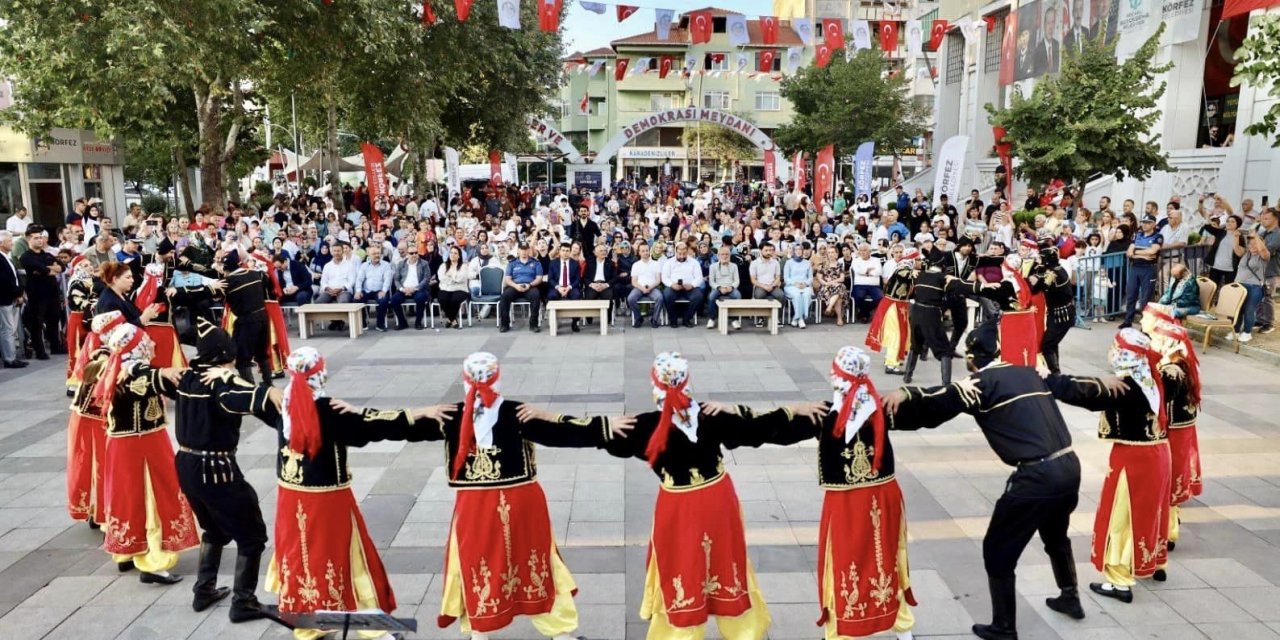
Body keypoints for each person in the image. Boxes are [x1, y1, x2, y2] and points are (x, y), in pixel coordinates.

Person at [882, 317, 1086, 640]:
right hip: (1069, 466)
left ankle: (1004, 627)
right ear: (1000, 351)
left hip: (1036, 477)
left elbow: (939, 404)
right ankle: (1070, 595)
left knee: (997, 551)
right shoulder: (1028, 372)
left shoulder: (981, 383)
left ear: (973, 360)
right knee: (1056, 535)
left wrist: (904, 399)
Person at [603, 352, 825, 639]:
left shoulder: (643, 425)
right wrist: (794, 410)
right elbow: (762, 429)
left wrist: (599, 426)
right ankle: (743, 630)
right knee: (727, 561)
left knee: (680, 565)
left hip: (677, 506)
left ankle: (679, 632)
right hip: (718, 499)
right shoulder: (712, 415)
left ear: (654, 385)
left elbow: (597, 438)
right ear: (687, 381)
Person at [427, 352, 630, 640]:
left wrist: (603, 427)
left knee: (534, 561)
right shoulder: (460, 415)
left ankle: (552, 630)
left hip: (516, 503)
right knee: (479, 563)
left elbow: (561, 432)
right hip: (483, 505)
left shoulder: (510, 413)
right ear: (499, 379)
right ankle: (483, 630)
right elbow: (561, 432)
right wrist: (416, 415)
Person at [263, 348, 449, 640]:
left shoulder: (279, 402)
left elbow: (248, 398)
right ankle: (373, 632)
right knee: (347, 562)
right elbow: (374, 426)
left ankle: (308, 626)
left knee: (300, 558)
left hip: (291, 498)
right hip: (327, 500)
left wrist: (224, 375)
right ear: (320, 373)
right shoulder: (329, 410)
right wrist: (418, 413)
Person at [162, 319, 281, 622]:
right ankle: (244, 602)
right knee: (252, 535)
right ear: (225, 355)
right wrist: (268, 392)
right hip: (215, 468)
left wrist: (159, 371)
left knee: (214, 529)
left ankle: (204, 590)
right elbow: (253, 401)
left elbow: (143, 375)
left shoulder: (187, 376)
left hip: (186, 465)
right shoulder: (222, 384)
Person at [1043, 329, 1172, 603]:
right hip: (1159, 453)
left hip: (1133, 459)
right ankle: (1153, 564)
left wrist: (1047, 380)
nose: (1111, 353)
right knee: (1152, 511)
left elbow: (1085, 395)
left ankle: (1119, 582)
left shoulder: (1125, 386)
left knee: (1121, 518)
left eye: (1115, 348)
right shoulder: (1153, 377)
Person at [814, 347, 917, 640]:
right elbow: (928, 411)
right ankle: (902, 627)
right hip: (882, 495)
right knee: (884, 557)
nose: (833, 375)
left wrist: (911, 394)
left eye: (835, 371)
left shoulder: (830, 414)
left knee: (845, 560)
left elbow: (774, 428)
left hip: (847, 501)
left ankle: (842, 630)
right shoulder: (880, 407)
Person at [94, 323, 198, 584]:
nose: (151, 344)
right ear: (135, 346)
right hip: (143, 444)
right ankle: (153, 561)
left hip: (123, 445)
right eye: (145, 341)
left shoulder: (116, 366)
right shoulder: (132, 369)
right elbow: (145, 376)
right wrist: (165, 372)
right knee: (152, 496)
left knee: (126, 496)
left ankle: (128, 551)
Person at [65, 311, 127, 529]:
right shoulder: (103, 354)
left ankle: (96, 511)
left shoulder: (101, 349)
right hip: (94, 418)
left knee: (95, 466)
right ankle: (103, 514)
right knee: (101, 466)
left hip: (89, 416)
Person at [1148, 321, 1202, 554]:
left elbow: (1160, 400)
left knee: (1169, 478)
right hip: (1182, 427)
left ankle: (1168, 532)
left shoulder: (1172, 370)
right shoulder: (1182, 362)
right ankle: (1170, 524)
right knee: (1174, 476)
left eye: (1158, 339)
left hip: (1174, 430)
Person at [902, 258, 970, 384]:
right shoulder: (944, 278)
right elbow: (962, 288)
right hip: (931, 313)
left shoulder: (918, 274)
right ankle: (946, 384)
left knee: (915, 344)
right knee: (944, 350)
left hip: (916, 311)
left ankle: (907, 376)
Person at [219, 252, 273, 383]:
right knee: (262, 354)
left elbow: (211, 294)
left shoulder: (228, 282)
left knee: (242, 359)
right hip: (263, 317)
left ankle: (250, 389)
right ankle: (268, 383)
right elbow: (268, 285)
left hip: (246, 321)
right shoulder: (256, 274)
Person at [866, 249, 919, 375]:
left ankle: (893, 358)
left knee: (901, 333)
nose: (920, 262)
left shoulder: (904, 268)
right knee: (896, 334)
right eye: (918, 260)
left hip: (899, 305)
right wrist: (915, 273)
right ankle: (891, 364)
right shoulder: (903, 270)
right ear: (912, 260)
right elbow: (905, 274)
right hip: (893, 306)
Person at [19, 225, 65, 360]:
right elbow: (41, 268)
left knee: (54, 319)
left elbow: (61, 266)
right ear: (29, 240)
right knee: (37, 323)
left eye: (41, 237)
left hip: (52, 292)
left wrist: (50, 269)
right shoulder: (26, 256)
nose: (40, 240)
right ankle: (40, 351)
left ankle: (55, 346)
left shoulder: (47, 254)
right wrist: (49, 269)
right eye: (36, 238)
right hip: (37, 294)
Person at [1031, 246, 1075, 374]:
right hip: (1057, 313)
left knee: (1047, 345)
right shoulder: (1056, 268)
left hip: (1061, 315)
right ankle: (1055, 371)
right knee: (1052, 343)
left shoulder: (1052, 274)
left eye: (1040, 258)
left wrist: (1036, 278)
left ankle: (1055, 374)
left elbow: (1036, 288)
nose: (1038, 260)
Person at [1120, 214, 1163, 328]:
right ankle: (1128, 321)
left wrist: (1136, 252)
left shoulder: (1157, 236)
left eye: (1148, 222)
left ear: (1154, 224)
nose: (1145, 224)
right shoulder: (1137, 235)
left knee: (1146, 298)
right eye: (1143, 222)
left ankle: (1146, 325)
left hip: (1148, 268)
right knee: (1131, 295)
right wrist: (1140, 254)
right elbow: (1128, 252)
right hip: (1135, 267)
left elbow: (1152, 251)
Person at [65, 255, 97, 391]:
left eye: (89, 264)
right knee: (77, 349)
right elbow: (80, 303)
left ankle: (90, 379)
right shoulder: (76, 283)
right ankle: (74, 382)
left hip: (91, 318)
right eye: (85, 266)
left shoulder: (93, 281)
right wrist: (97, 303)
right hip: (78, 319)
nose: (89, 267)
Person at [1231, 229, 1269, 343]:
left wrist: (1256, 236)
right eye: (1250, 243)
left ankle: (1247, 333)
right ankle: (1236, 331)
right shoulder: (1246, 253)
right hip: (1239, 286)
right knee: (1238, 309)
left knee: (1249, 309)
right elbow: (1236, 249)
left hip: (1254, 287)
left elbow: (1262, 249)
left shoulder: (1264, 256)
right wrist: (1236, 236)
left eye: (1254, 243)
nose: (1251, 245)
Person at [499, 241, 545, 334]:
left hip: (530, 286)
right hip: (515, 286)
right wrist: (515, 286)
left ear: (528, 250)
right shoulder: (512, 263)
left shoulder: (535, 262)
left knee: (536, 295)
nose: (524, 252)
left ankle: (533, 324)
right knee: (505, 296)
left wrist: (530, 285)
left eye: (525, 249)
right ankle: (504, 324)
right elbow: (508, 279)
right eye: (521, 249)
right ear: (518, 250)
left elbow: (539, 278)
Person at [662, 242, 705, 328]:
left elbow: (699, 277)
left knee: (698, 296)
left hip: (690, 287)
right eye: (679, 254)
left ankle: (687, 319)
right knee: (667, 295)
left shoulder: (694, 262)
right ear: (675, 252)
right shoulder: (669, 262)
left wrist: (692, 285)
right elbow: (664, 278)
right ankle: (673, 320)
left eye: (684, 254)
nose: (682, 256)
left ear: (687, 252)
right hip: (674, 287)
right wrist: (672, 284)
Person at [354, 244, 394, 332]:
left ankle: (380, 323)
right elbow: (359, 279)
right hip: (367, 290)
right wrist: (358, 291)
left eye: (378, 253)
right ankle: (362, 322)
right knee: (357, 300)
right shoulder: (364, 265)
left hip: (379, 291)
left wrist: (384, 291)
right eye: (374, 254)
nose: (377, 255)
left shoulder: (386, 265)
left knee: (383, 300)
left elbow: (388, 280)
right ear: (369, 255)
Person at [390, 247, 431, 330]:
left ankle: (418, 322)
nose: (414, 255)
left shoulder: (424, 263)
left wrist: (415, 288)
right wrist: (402, 289)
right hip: (404, 289)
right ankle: (402, 322)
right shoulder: (401, 264)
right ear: (407, 255)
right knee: (394, 300)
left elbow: (426, 278)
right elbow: (396, 279)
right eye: (411, 253)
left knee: (421, 298)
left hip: (418, 289)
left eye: (416, 253)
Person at [1253, 208, 1279, 333]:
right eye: (1262, 218)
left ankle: (1269, 323)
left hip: (1270, 270)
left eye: (1266, 218)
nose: (1263, 220)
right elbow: (1253, 247)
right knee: (1258, 295)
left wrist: (1259, 246)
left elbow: (1268, 249)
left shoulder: (1278, 234)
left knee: (1267, 297)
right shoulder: (1263, 233)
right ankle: (1260, 319)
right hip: (1258, 270)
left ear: (1276, 218)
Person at [547, 243, 583, 333]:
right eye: (563, 250)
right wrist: (558, 288)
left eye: (567, 251)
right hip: (557, 287)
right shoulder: (553, 263)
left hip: (571, 287)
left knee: (577, 295)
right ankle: (554, 321)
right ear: (559, 251)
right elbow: (550, 279)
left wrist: (569, 288)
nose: (565, 253)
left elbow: (578, 279)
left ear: (570, 252)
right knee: (552, 296)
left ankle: (575, 322)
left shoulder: (575, 263)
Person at [0, 231, 24, 369]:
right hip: (4, 299)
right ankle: (10, 358)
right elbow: (4, 281)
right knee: (8, 329)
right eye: (9, 241)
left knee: (10, 328)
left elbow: (14, 277)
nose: (12, 243)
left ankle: (11, 356)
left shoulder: (6, 257)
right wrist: (17, 293)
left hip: (11, 297)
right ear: (1, 243)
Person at [627, 242, 663, 328]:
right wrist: (642, 288)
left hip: (653, 287)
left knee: (660, 298)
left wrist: (650, 287)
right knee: (631, 298)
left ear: (649, 251)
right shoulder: (636, 265)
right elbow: (634, 281)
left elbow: (658, 280)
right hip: (639, 287)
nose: (645, 252)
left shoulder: (656, 264)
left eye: (647, 250)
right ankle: (639, 318)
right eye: (643, 251)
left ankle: (654, 319)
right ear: (639, 252)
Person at [749, 243, 787, 326]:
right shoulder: (754, 263)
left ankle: (776, 318)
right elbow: (753, 280)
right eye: (766, 250)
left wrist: (772, 285)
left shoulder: (775, 262)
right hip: (760, 285)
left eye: (770, 250)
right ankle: (760, 318)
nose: (768, 252)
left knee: (781, 295)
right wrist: (764, 286)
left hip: (773, 285)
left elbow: (777, 277)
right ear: (760, 251)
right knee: (759, 295)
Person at [706, 244, 741, 330]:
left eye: (727, 254)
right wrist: (719, 288)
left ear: (729, 255)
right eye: (722, 254)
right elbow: (711, 282)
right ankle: (712, 319)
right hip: (718, 287)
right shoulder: (713, 266)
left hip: (730, 287)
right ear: (718, 256)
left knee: (738, 296)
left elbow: (737, 281)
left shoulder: (734, 266)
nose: (725, 256)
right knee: (711, 297)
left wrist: (731, 287)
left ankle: (734, 320)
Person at [436, 245, 470, 329]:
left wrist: (450, 276)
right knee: (443, 299)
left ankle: (449, 319)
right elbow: (441, 278)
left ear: (459, 256)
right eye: (451, 253)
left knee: (455, 299)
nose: (453, 255)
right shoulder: (443, 265)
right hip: (445, 288)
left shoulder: (463, 266)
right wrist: (454, 278)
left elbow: (461, 278)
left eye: (455, 253)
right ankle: (453, 319)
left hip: (460, 288)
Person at [582, 242, 616, 322]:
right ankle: (589, 317)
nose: (603, 252)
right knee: (589, 296)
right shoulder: (590, 263)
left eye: (605, 250)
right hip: (593, 284)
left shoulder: (610, 263)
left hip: (605, 285)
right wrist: (591, 284)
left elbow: (614, 278)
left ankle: (607, 318)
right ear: (595, 253)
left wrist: (606, 285)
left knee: (608, 297)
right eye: (601, 251)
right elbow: (585, 278)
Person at [849, 243, 883, 324]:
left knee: (880, 298)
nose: (862, 252)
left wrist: (864, 272)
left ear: (869, 251)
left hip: (874, 286)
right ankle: (865, 314)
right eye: (860, 250)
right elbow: (857, 271)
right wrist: (869, 271)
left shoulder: (876, 260)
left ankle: (864, 312)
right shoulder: (856, 261)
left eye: (864, 250)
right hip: (860, 285)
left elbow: (879, 272)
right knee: (858, 297)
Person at [816, 245, 848, 326]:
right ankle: (839, 318)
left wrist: (832, 282)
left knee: (839, 287)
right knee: (839, 295)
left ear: (836, 254)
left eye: (832, 252)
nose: (830, 254)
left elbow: (842, 278)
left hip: (837, 285)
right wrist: (826, 283)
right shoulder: (823, 264)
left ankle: (830, 307)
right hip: (826, 287)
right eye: (829, 252)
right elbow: (819, 278)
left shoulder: (840, 264)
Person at [783, 244, 814, 329]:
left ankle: (796, 318)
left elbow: (810, 278)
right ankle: (800, 319)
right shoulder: (788, 262)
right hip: (791, 286)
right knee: (797, 295)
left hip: (805, 285)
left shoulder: (807, 263)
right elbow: (786, 278)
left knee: (806, 294)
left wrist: (805, 284)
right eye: (796, 250)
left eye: (800, 249)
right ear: (793, 251)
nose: (798, 251)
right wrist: (795, 284)